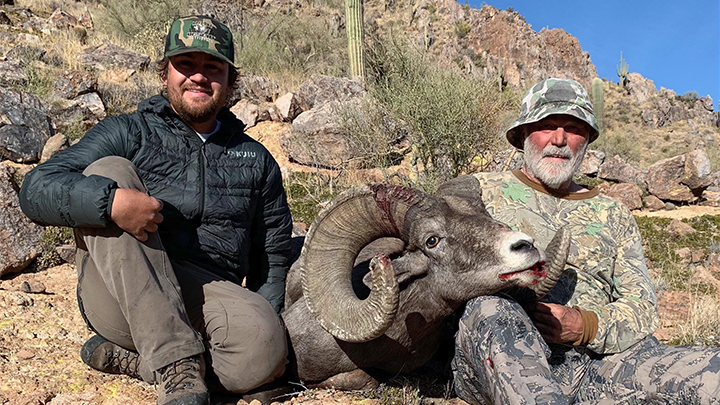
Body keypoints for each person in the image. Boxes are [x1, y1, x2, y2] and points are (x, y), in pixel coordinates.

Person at [19, 15, 292, 405]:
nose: (199, 77)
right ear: (165, 74)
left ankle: (138, 362)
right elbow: (37, 187)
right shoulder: (129, 132)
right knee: (107, 171)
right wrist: (110, 202)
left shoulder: (256, 158)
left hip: (207, 293)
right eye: (186, 65)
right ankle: (175, 366)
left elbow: (273, 254)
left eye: (212, 68)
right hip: (122, 290)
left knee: (262, 353)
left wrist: (265, 326)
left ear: (231, 82)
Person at [452, 78, 720, 404]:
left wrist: (586, 325)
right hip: (506, 354)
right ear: (523, 134)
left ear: (587, 141)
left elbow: (643, 308)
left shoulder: (614, 212)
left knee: (712, 373)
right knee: (491, 307)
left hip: (602, 363)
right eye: (546, 125)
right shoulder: (476, 192)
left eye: (574, 128)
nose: (559, 139)